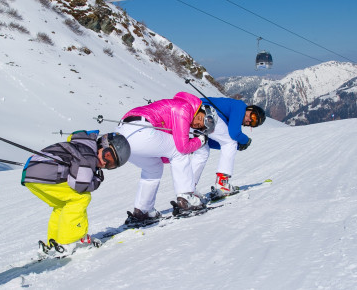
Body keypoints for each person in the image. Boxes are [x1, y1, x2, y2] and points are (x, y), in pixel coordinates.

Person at [21, 130, 130, 254]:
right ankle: (69, 241)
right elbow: (80, 185)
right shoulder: (88, 154)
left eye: (111, 164)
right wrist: (96, 180)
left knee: (62, 205)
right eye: (108, 156)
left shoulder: (83, 146)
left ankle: (54, 241)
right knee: (81, 198)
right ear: (102, 145)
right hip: (46, 173)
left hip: (32, 174)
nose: (105, 162)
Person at [115, 91, 215, 224]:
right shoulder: (185, 107)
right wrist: (200, 141)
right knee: (180, 152)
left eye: (202, 128)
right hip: (141, 129)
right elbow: (182, 148)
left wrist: (188, 147)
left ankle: (143, 210)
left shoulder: (179, 110)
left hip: (123, 135)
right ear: (202, 110)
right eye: (203, 119)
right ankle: (186, 198)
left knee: (153, 167)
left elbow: (163, 154)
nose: (198, 124)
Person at [191, 98, 266, 198]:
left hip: (191, 115)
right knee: (231, 142)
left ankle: (188, 189)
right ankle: (222, 184)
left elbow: (213, 142)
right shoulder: (240, 106)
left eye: (252, 123)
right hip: (205, 113)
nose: (249, 120)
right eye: (252, 115)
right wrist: (245, 140)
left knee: (203, 149)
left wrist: (237, 146)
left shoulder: (225, 122)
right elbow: (234, 133)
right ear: (250, 108)